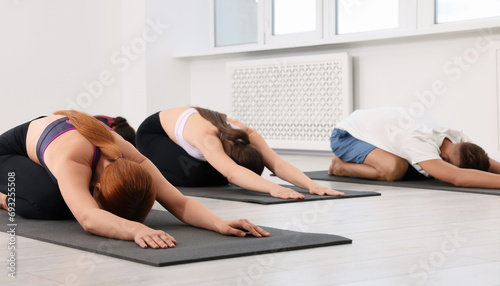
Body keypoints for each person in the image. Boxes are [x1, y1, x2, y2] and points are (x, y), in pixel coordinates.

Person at [0, 110, 269, 249]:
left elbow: (181, 203)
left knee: (66, 196)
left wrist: (219, 223)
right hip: (8, 154)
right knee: (49, 202)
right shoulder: (73, 160)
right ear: (97, 188)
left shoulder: (132, 158)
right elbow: (89, 219)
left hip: (51, 147)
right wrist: (137, 230)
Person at [135, 106, 344, 199]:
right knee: (198, 174)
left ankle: (236, 172)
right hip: (154, 135)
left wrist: (312, 185)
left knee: (216, 172)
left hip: (194, 140)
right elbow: (232, 173)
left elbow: (277, 163)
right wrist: (273, 188)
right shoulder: (208, 137)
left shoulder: (247, 135)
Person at [328, 107, 500, 188]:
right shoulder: (419, 142)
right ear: (445, 160)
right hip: (347, 135)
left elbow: (484, 162)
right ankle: (340, 166)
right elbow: (458, 177)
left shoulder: (460, 141)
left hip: (383, 131)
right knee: (394, 169)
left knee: (414, 168)